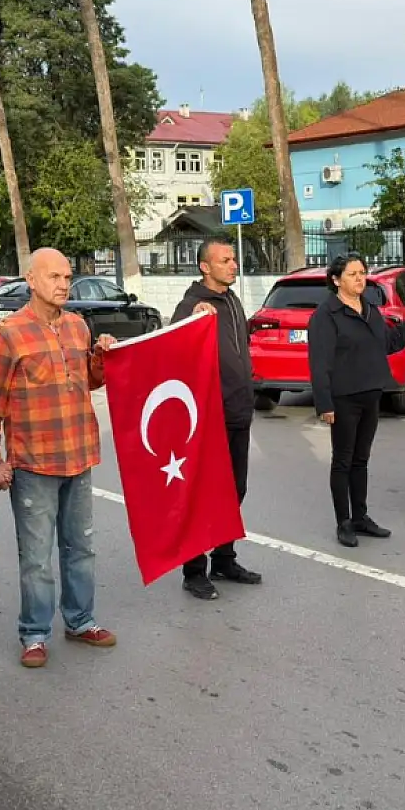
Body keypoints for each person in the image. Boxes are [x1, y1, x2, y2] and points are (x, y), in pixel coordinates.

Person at [0, 247, 117, 668]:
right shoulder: (7, 333)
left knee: (81, 548)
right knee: (36, 558)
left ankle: (81, 620)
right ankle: (34, 633)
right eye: (54, 276)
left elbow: (89, 382)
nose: (63, 284)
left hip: (79, 455)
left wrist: (100, 357)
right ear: (31, 280)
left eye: (68, 277)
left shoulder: (77, 327)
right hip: (33, 464)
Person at [307, 254, 405, 547]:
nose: (360, 278)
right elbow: (319, 363)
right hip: (344, 397)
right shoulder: (326, 315)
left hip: (371, 393)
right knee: (343, 460)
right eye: (352, 274)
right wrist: (324, 404)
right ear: (336, 280)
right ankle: (344, 522)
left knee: (361, 460)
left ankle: (361, 517)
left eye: (362, 273)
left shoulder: (370, 310)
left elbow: (388, 343)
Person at [171, 238, 262, 600]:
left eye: (234, 259)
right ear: (204, 267)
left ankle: (224, 558)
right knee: (204, 494)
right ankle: (194, 570)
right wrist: (191, 323)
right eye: (225, 260)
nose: (233, 265)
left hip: (239, 410)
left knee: (235, 489)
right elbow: (174, 349)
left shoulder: (233, 300)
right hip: (209, 417)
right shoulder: (193, 305)